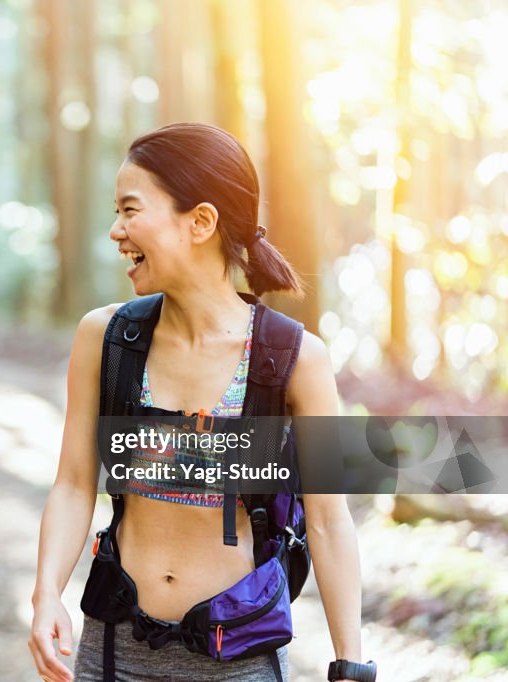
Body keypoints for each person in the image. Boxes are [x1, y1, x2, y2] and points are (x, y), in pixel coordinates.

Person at [29, 124, 373, 682]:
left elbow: (330, 521)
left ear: (201, 222)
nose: (116, 231)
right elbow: (72, 484)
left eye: (130, 210)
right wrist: (46, 595)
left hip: (239, 653)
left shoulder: (294, 358)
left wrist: (351, 663)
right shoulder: (106, 338)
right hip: (114, 647)